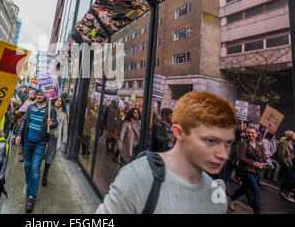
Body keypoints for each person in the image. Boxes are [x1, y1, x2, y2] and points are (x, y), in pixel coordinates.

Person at [96, 91, 236, 214]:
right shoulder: (138, 178)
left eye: (228, 143)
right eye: (210, 141)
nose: (223, 154)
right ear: (179, 132)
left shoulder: (217, 198)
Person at [15, 91, 57, 212]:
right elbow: (24, 121)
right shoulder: (31, 107)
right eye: (38, 94)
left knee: (34, 168)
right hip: (28, 142)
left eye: (41, 94)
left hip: (40, 144)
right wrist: (19, 134)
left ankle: (31, 196)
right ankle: (30, 183)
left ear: (46, 96)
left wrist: (52, 123)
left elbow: (55, 123)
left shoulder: (50, 109)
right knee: (27, 166)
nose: (39, 96)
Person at [229, 126, 267, 213]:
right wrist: (254, 163)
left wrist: (263, 164)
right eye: (248, 132)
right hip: (245, 170)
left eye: (252, 133)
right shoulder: (242, 143)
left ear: (257, 134)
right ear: (245, 134)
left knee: (244, 189)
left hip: (255, 171)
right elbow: (241, 158)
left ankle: (230, 199)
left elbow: (263, 158)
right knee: (256, 192)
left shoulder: (259, 145)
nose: (250, 134)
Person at [42, 97, 68, 186]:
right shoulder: (48, 109)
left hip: (54, 137)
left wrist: (65, 138)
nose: (58, 102)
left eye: (60, 101)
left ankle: (45, 175)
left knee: (50, 156)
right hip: (45, 134)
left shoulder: (63, 114)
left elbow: (65, 126)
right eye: (57, 100)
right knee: (41, 153)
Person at [275, 130, 294, 203]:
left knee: (288, 177)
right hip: (286, 164)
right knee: (288, 178)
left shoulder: (291, 143)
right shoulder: (283, 143)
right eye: (293, 135)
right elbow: (281, 155)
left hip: (290, 163)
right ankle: (283, 191)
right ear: (290, 136)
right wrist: (286, 164)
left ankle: (284, 190)